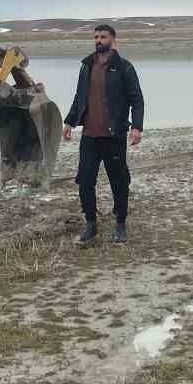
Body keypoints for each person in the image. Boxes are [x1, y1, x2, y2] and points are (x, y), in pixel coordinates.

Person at [63, 23, 144, 246]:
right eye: (96, 37)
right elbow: (80, 96)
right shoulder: (86, 65)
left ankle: (120, 225)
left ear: (113, 40)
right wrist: (69, 121)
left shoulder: (124, 67)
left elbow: (137, 99)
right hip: (89, 136)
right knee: (85, 182)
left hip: (114, 135)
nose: (99, 40)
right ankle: (91, 225)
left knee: (119, 181)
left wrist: (136, 127)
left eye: (103, 37)